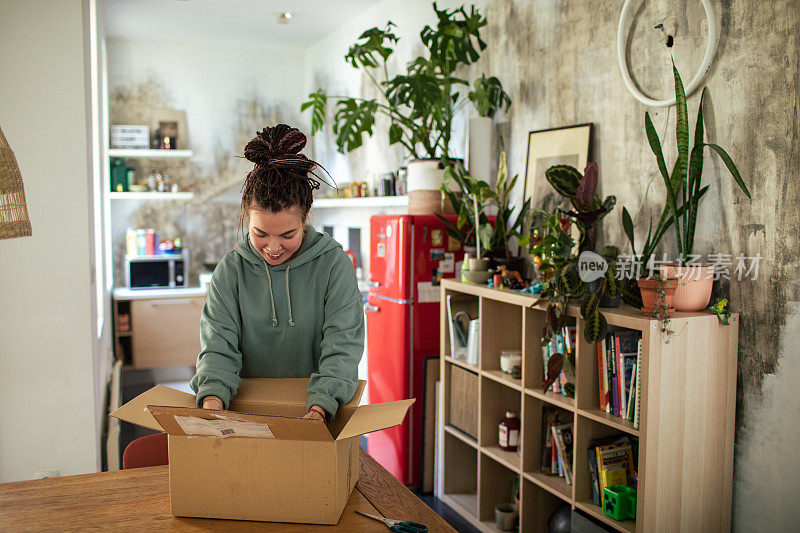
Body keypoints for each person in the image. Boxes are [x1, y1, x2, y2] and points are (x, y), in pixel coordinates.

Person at [190, 124, 364, 422]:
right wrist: (212, 408)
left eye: (287, 234)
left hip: (317, 413)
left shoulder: (333, 265)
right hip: (246, 416)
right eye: (260, 234)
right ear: (246, 214)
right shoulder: (230, 272)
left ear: (306, 217)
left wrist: (319, 408)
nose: (273, 248)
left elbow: (342, 347)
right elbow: (218, 348)